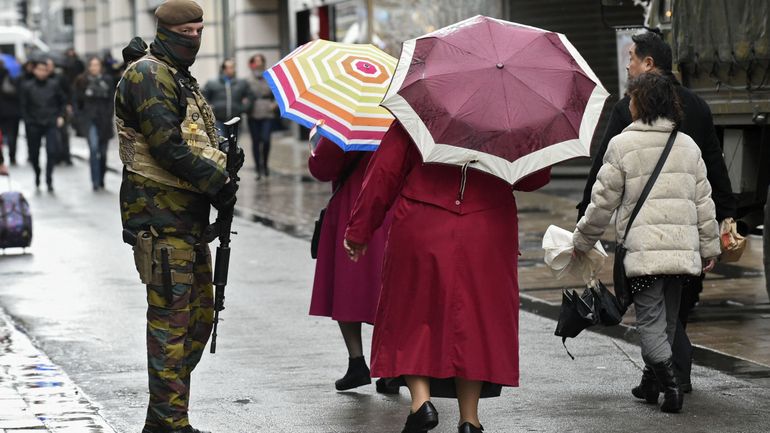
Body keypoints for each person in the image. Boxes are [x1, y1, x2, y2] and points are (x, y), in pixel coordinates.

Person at [344, 122, 551, 433]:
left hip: (422, 222)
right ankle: (469, 419)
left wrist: (359, 231)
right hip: (487, 227)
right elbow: (534, 177)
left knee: (410, 315)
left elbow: (382, 175)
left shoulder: (418, 113)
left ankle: (421, 403)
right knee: (474, 324)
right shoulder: (508, 120)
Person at [576, 31, 736, 393]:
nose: (627, 63)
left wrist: (583, 227)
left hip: (644, 245)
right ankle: (658, 380)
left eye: (632, 57)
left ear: (649, 65)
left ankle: (672, 378)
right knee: (673, 314)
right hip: (686, 241)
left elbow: (603, 180)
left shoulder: (624, 120)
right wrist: (717, 231)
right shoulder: (696, 112)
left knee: (653, 318)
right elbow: (711, 177)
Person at [115, 1, 243, 432]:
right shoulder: (149, 75)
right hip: (159, 218)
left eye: (199, 30)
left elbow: (189, 134)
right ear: (167, 31)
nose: (195, 38)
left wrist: (224, 154)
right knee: (172, 324)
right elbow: (166, 145)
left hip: (185, 220)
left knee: (199, 319)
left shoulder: (175, 74)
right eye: (187, 31)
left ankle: (161, 417)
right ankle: (170, 422)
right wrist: (218, 182)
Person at [307, 131, 395, 393]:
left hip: (353, 206)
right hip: (395, 205)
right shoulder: (405, 117)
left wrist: (314, 146)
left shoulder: (350, 120)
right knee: (391, 289)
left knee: (348, 286)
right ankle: (391, 367)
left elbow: (321, 167)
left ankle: (357, 362)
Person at [19, 60, 67, 192]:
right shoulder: (27, 86)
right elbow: (23, 106)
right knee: (34, 153)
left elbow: (62, 101)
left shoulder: (54, 85)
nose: (41, 72)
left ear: (48, 71)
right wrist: (28, 121)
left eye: (44, 69)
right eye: (39, 69)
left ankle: (49, 177)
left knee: (52, 151)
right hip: (33, 124)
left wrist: (60, 116)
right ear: (34, 71)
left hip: (50, 122)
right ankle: (37, 172)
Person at [73, 57, 115, 191]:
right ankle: (95, 181)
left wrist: (109, 113)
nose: (94, 68)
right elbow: (77, 101)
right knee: (93, 149)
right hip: (89, 119)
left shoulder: (107, 80)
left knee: (102, 153)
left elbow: (112, 99)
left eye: (97, 65)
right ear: (88, 67)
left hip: (104, 119)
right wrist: (79, 117)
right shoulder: (83, 81)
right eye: (92, 65)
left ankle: (102, 178)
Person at [245, 54, 276, 179]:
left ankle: (265, 165)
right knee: (256, 141)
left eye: (260, 61)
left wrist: (274, 105)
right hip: (253, 113)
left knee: (266, 139)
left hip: (267, 112)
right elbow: (243, 94)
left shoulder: (270, 77)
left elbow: (278, 93)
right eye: (255, 61)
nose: (258, 63)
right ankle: (258, 168)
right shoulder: (247, 80)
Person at [202, 58, 252, 134]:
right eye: (227, 67)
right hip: (218, 120)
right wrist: (210, 107)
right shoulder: (212, 83)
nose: (229, 70)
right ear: (223, 69)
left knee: (233, 144)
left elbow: (250, 96)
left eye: (231, 67)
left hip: (235, 120)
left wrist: (243, 108)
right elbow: (203, 96)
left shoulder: (241, 83)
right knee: (221, 143)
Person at [0, 58, 20, 166]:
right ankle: (12, 157)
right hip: (10, 111)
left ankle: (1, 159)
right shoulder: (10, 77)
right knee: (12, 134)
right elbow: (15, 94)